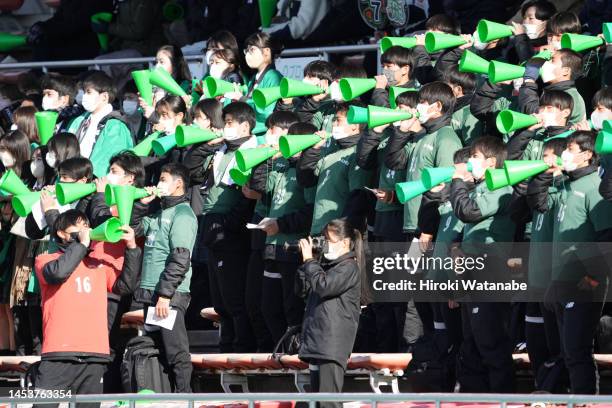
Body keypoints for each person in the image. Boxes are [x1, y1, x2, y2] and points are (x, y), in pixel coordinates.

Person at [33, 209, 140, 407]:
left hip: (94, 354)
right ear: (62, 234)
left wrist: (132, 248)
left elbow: (125, 286)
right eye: (78, 225)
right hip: (59, 354)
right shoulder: (46, 260)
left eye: (86, 225)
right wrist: (82, 244)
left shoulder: (98, 264)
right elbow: (58, 273)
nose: (85, 229)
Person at [543, 131, 612, 394]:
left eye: (570, 148)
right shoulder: (566, 185)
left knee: (577, 348)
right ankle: (573, 397)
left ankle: (586, 400)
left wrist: (594, 276)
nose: (565, 154)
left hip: (585, 280)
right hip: (562, 278)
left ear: (587, 154)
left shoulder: (595, 186)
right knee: (566, 350)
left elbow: (606, 237)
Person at [450, 136, 516, 393]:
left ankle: (501, 396)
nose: (469, 162)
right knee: (471, 341)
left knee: (490, 340)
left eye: (474, 157)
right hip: (471, 268)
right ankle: (474, 397)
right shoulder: (480, 187)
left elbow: (468, 212)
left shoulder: (501, 187)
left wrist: (457, 181)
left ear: (491, 162)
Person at [135, 163, 197, 393]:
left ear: (178, 183)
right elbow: (133, 228)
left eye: (163, 179)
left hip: (168, 296)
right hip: (150, 292)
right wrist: (142, 204)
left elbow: (181, 258)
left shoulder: (183, 214)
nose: (158, 183)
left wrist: (164, 295)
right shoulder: (159, 213)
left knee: (175, 351)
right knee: (156, 349)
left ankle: (184, 397)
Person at [202, 102, 258, 352]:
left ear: (245, 126)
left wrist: (230, 223)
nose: (225, 128)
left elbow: (248, 195)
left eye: (230, 123)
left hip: (232, 228)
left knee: (234, 295)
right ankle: (226, 345)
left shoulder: (253, 150)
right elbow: (193, 167)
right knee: (219, 298)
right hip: (211, 221)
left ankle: (240, 348)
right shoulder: (220, 150)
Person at [296, 218, 362, 408]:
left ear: (344, 243)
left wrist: (310, 261)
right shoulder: (325, 266)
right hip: (317, 342)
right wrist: (307, 261)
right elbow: (302, 291)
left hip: (331, 345)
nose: (325, 245)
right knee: (315, 403)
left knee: (328, 402)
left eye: (329, 241)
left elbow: (324, 286)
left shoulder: (349, 267)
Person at [385, 82, 462, 240]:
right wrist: (402, 132)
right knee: (408, 265)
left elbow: (444, 188)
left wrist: (428, 229)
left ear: (437, 106)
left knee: (420, 265)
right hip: (412, 223)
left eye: (422, 102)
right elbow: (394, 162)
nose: (417, 107)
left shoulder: (446, 138)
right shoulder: (423, 136)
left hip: (426, 229)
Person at [524, 137, 568, 391]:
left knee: (559, 344)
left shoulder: (562, 193)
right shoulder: (544, 193)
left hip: (554, 281)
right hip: (536, 281)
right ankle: (545, 386)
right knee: (537, 343)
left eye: (548, 158)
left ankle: (560, 392)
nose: (543, 162)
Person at [297, 102, 374, 236]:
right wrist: (313, 150)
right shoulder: (331, 152)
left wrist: (340, 232)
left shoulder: (358, 154)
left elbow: (358, 199)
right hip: (319, 230)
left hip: (339, 235)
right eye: (333, 120)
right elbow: (306, 180)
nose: (333, 125)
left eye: (338, 121)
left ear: (355, 125)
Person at [67, 72, 133, 177]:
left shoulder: (115, 126)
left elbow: (108, 160)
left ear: (104, 97)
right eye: (84, 92)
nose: (84, 96)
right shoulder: (79, 120)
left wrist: (86, 178)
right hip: (72, 177)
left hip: (94, 184)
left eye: (89, 92)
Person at [521, 48, 586, 124]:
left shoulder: (571, 96)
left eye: (552, 60)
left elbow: (538, 117)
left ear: (565, 71)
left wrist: (529, 81)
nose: (545, 64)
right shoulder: (559, 91)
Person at [275, 60, 338, 134]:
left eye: (310, 78)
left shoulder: (332, 106)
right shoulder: (299, 100)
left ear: (324, 82)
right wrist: (285, 105)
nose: (304, 80)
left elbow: (304, 128)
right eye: (305, 76)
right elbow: (280, 124)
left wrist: (314, 101)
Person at [243, 32, 284, 137]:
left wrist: (242, 99)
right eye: (246, 50)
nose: (248, 54)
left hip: (263, 136)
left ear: (266, 52)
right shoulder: (253, 79)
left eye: (252, 50)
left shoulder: (274, 77)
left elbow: (267, 112)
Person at [444, 67, 483, 146]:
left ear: (458, 90)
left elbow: (471, 147)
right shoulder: (447, 105)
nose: (442, 89)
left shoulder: (470, 113)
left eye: (446, 86)